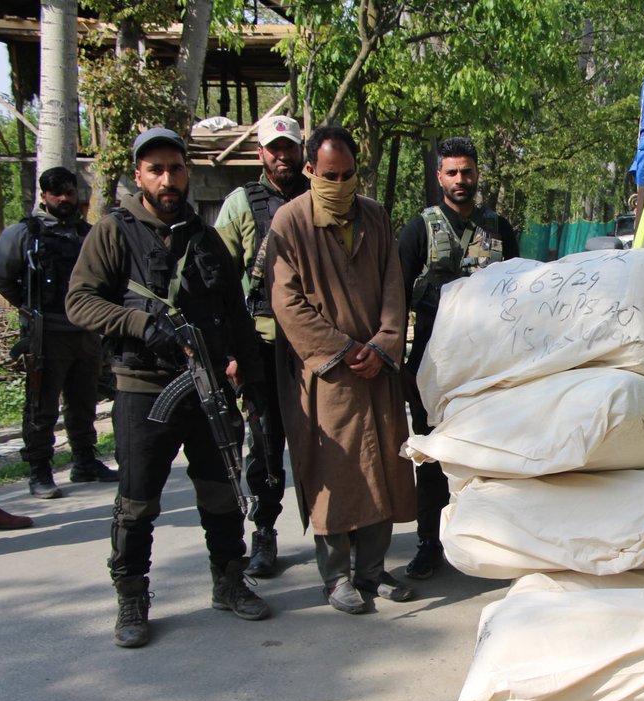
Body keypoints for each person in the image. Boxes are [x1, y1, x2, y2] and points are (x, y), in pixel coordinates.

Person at [66, 127, 270, 648]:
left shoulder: (204, 238)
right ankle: (131, 595)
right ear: (139, 176)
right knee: (137, 501)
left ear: (187, 172)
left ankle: (228, 578)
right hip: (143, 387)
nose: (167, 178)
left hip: (207, 386)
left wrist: (249, 373)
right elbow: (80, 302)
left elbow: (236, 313)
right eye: (155, 169)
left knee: (221, 489)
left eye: (175, 168)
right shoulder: (114, 231)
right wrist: (139, 325)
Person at [267, 125, 416, 615]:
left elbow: (394, 287)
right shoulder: (289, 223)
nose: (341, 183)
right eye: (331, 175)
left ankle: (372, 573)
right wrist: (345, 348)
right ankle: (336, 578)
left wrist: (384, 344)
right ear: (310, 170)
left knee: (384, 472)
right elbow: (287, 304)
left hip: (378, 369)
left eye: (349, 174)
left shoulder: (375, 216)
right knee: (335, 473)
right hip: (328, 375)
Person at [397, 136, 519, 580]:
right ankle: (429, 542)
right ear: (439, 177)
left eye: (467, 172)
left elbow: (523, 294)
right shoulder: (421, 229)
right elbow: (394, 295)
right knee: (431, 457)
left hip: (488, 368)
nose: (461, 180)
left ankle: (487, 539)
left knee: (487, 456)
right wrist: (400, 364)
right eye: (452, 172)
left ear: (477, 175)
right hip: (433, 367)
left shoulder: (498, 228)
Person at [214, 115, 308, 578]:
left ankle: (338, 531)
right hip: (263, 344)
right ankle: (265, 533)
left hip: (315, 345)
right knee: (266, 446)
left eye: (289, 147)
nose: (283, 155)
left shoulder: (318, 198)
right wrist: (231, 351)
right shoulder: (240, 204)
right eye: (275, 148)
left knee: (327, 442)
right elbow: (218, 281)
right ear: (260, 153)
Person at [0, 167, 118, 499]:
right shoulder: (25, 233)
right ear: (44, 196)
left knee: (84, 402)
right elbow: (4, 277)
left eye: (69, 192)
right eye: (57, 194)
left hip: (86, 332)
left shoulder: (88, 233)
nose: (65, 199)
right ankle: (40, 470)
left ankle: (84, 461)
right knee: (42, 405)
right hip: (46, 334)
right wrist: (25, 308)